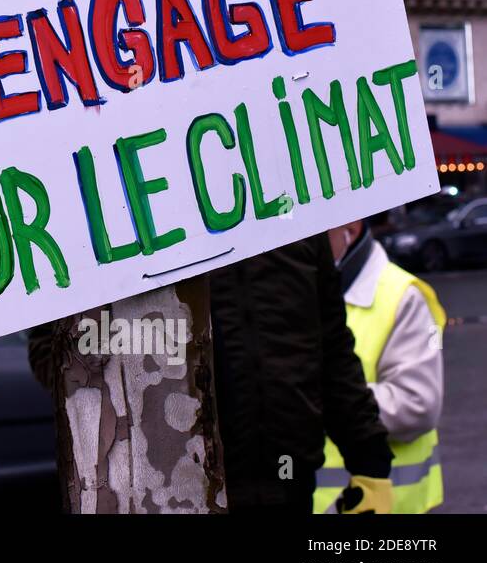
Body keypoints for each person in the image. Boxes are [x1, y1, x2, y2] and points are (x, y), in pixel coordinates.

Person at [27, 234, 395, 513]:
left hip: (286, 482)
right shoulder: (120, 216)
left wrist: (370, 459)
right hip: (173, 491)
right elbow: (51, 351)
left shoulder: (293, 207)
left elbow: (332, 345)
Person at [205, 235, 394, 513]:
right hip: (193, 479)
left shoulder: (300, 225)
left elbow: (332, 344)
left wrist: (369, 457)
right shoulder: (163, 223)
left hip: (290, 474)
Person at [313, 219, 445, 513]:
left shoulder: (402, 295)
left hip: (383, 507)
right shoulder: (301, 293)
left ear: (350, 228)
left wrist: (316, 395)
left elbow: (418, 404)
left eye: (313, 236)